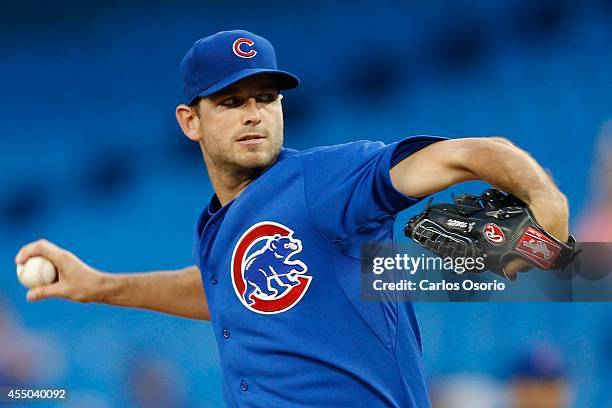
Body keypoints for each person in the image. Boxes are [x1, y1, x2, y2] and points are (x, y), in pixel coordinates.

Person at [15, 30, 570, 407]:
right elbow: (223, 291)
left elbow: (465, 153)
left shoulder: (324, 183)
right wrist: (101, 286)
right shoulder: (218, 225)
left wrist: (541, 195)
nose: (255, 114)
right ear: (190, 122)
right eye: (231, 102)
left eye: (266, 98)